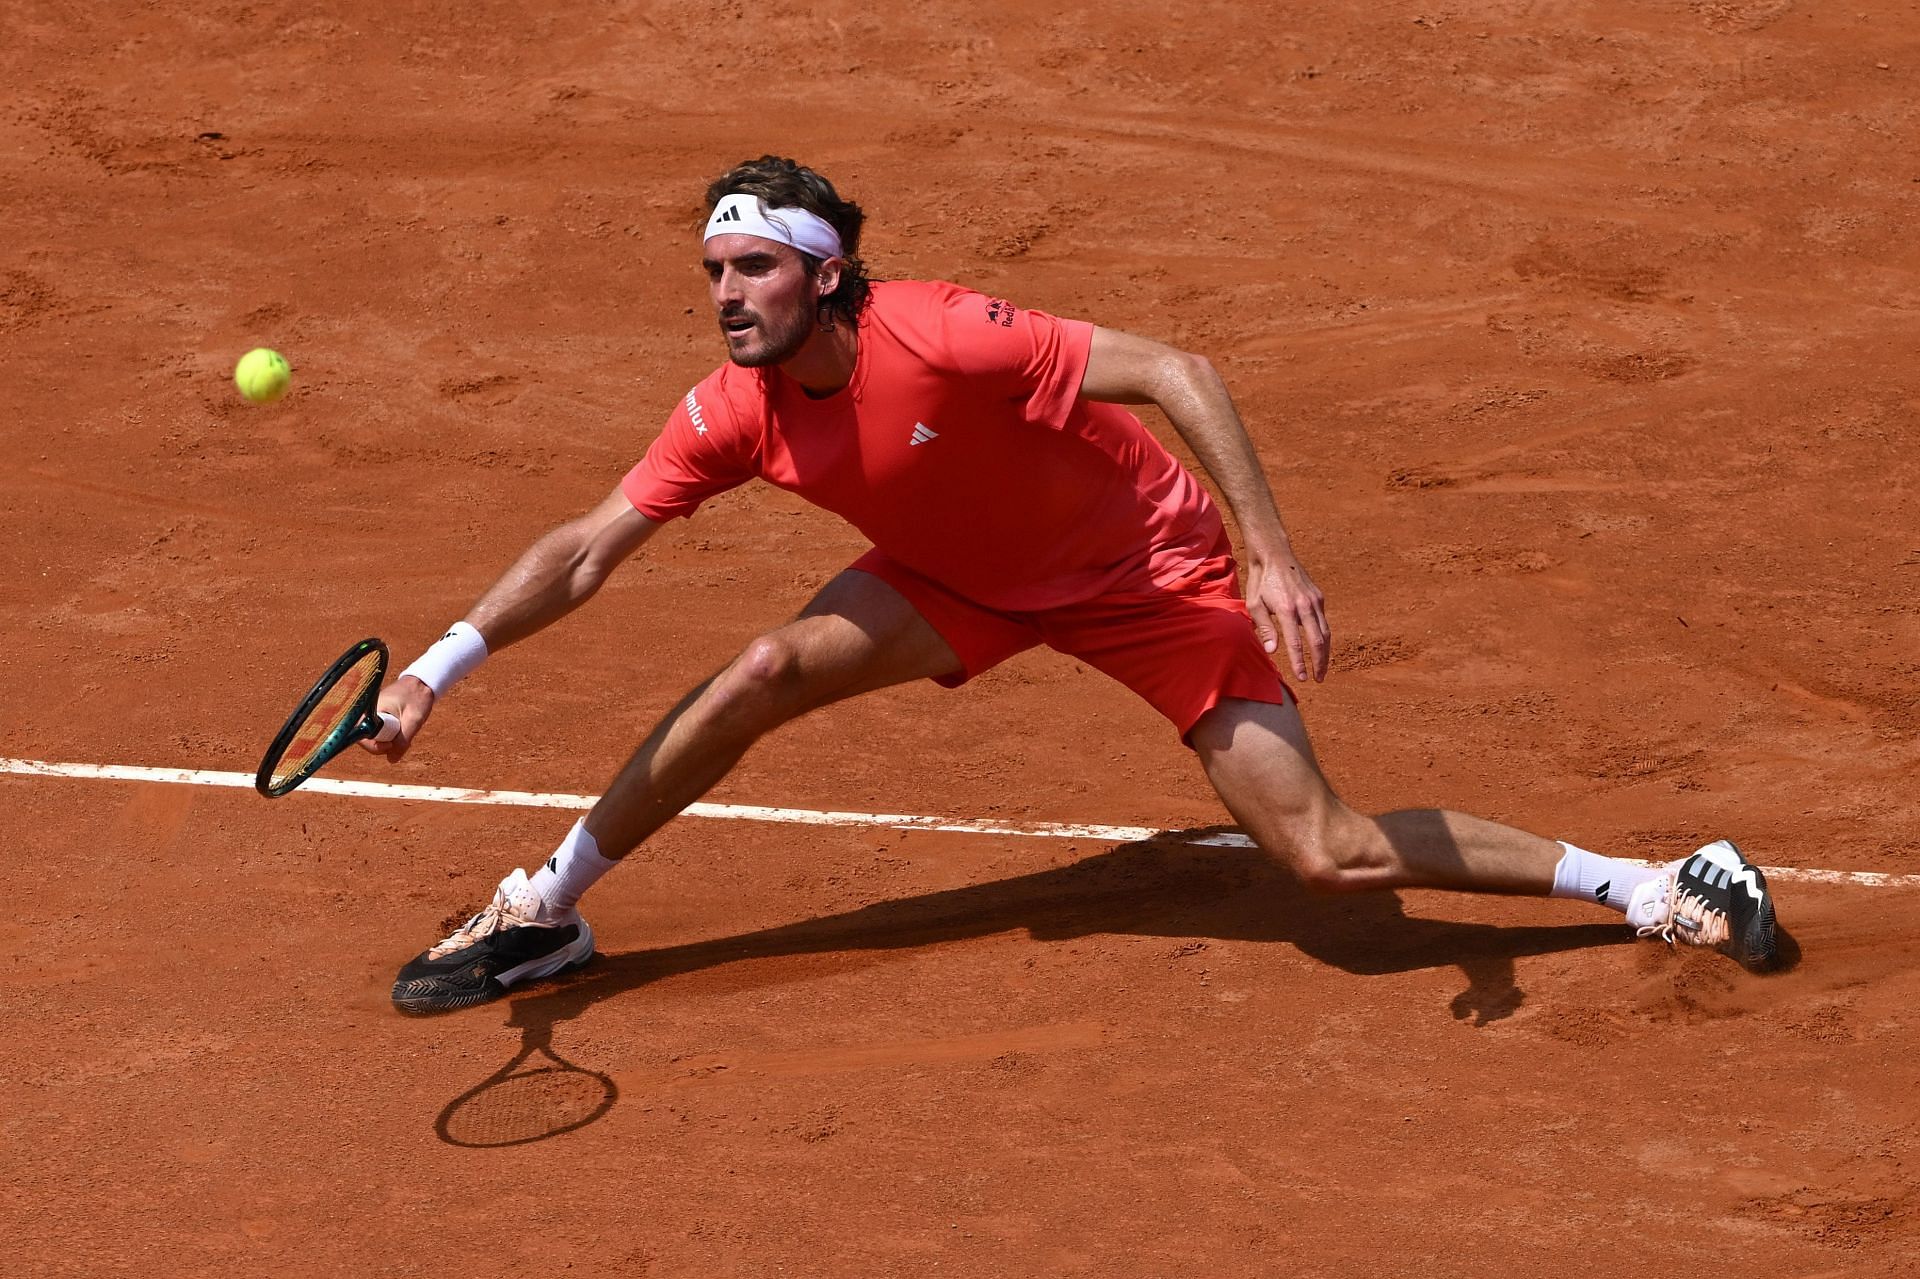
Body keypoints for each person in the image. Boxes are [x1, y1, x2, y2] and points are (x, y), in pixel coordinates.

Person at [377, 156, 1780, 1015]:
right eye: (712, 271)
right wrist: (436, 670)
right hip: (961, 579)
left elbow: (1182, 371)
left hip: (1144, 575)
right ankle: (543, 911)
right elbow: (583, 548)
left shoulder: (941, 336)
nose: (725, 295)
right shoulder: (735, 409)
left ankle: (1657, 883)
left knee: (1326, 858)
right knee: (762, 671)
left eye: (752, 268)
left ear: (825, 273)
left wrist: (1267, 550)